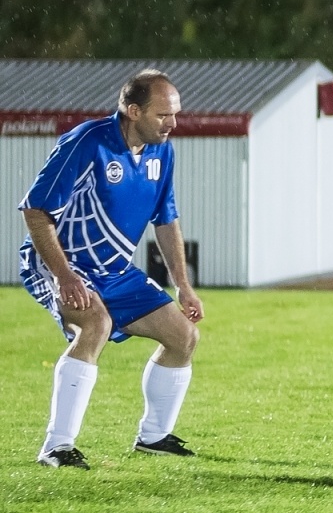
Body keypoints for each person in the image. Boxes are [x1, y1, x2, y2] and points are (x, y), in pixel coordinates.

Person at [19, 68, 205, 469]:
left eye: (175, 114)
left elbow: (166, 219)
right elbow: (35, 210)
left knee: (183, 337)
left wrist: (183, 286)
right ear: (133, 111)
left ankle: (153, 437)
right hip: (60, 264)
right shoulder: (87, 142)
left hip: (114, 270)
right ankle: (56, 447)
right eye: (163, 115)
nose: (172, 124)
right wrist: (64, 276)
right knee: (95, 325)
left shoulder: (162, 152)